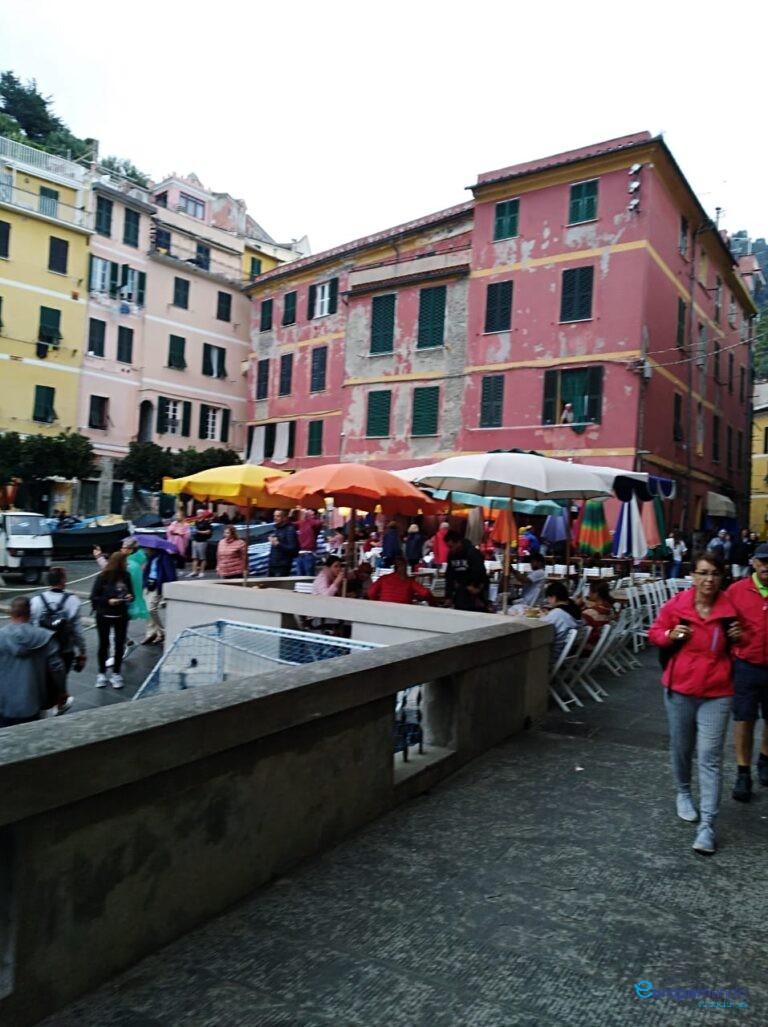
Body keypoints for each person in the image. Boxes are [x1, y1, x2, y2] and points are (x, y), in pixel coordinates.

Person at [648, 551, 741, 856]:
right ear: (693, 576)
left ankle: (708, 827)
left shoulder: (730, 609)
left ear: (721, 577)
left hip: (717, 691)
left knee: (710, 755)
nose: (708, 579)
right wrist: (670, 633)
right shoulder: (678, 605)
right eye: (702, 573)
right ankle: (684, 792)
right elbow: (655, 634)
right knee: (681, 747)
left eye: (714, 573)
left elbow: (748, 645)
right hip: (681, 690)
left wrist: (740, 638)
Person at [726, 541, 768, 802]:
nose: (767, 566)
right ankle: (743, 772)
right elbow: (723, 624)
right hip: (746, 665)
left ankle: (765, 759)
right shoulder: (736, 591)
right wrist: (732, 634)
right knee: (744, 719)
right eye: (763, 561)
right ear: (753, 562)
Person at [0, 596, 66, 727]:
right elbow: (58, 668)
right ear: (30, 614)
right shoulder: (45, 637)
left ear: (10, 613)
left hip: (4, 703)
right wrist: (62, 691)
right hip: (32, 701)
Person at [30, 566, 86, 715]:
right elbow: (77, 631)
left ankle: (43, 707)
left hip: (42, 649)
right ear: (63, 580)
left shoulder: (36, 601)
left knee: (43, 678)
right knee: (61, 676)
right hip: (65, 649)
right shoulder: (73, 601)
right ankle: (59, 703)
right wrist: (82, 651)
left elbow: (33, 626)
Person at [90, 551, 134, 689]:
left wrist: (129, 597)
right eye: (125, 561)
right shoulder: (103, 577)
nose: (127, 564)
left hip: (121, 614)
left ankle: (116, 673)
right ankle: (101, 673)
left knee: (119, 644)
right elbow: (94, 596)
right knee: (103, 644)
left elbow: (132, 594)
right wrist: (108, 601)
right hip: (104, 614)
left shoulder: (126, 576)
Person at [444, 530, 489, 611]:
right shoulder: (451, 555)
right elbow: (449, 575)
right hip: (461, 592)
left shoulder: (472, 553)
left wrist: (477, 589)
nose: (450, 549)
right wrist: (448, 596)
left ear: (458, 542)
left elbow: (479, 572)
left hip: (475, 591)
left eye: (451, 546)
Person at [142, 544, 177, 645]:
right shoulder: (150, 558)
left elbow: (171, 574)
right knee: (148, 610)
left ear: (154, 549)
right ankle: (152, 633)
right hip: (148, 584)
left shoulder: (165, 557)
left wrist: (170, 589)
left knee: (151, 609)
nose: (146, 550)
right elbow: (147, 571)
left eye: (148, 548)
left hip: (157, 585)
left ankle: (162, 632)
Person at [540, 582, 582, 660]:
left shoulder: (557, 613)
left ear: (554, 597)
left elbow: (539, 627)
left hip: (552, 655)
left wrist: (544, 616)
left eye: (548, 598)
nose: (548, 601)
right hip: (567, 652)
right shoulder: (575, 609)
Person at [368, 556, 434, 605]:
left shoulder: (384, 578)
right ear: (405, 568)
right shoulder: (409, 581)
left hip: (384, 609)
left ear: (394, 567)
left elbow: (371, 592)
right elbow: (426, 593)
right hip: (404, 613)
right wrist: (433, 604)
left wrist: (378, 601)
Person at [577, 579, 614, 651]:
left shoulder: (590, 613)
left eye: (590, 591)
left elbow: (577, 623)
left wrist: (577, 606)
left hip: (586, 647)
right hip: (599, 644)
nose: (588, 594)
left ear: (596, 594)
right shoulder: (608, 608)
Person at [268, 509, 299, 576]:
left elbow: (293, 548)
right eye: (274, 516)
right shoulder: (275, 528)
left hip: (282, 565)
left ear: (284, 518)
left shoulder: (290, 529)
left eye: (278, 516)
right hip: (272, 564)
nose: (275, 518)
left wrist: (278, 544)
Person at [297, 511, 323, 576]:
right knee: (300, 577)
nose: (312, 515)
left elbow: (318, 523)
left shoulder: (313, 523)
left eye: (313, 514)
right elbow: (291, 524)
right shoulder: (302, 522)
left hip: (309, 554)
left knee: (307, 577)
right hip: (301, 554)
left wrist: (307, 517)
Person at [187, 513, 213, 578]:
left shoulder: (206, 522)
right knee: (194, 557)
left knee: (202, 558)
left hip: (202, 541)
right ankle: (194, 571)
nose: (198, 514)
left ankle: (201, 572)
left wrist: (198, 531)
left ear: (202, 514)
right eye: (197, 513)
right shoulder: (195, 522)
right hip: (195, 540)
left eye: (199, 513)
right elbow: (192, 530)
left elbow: (208, 531)